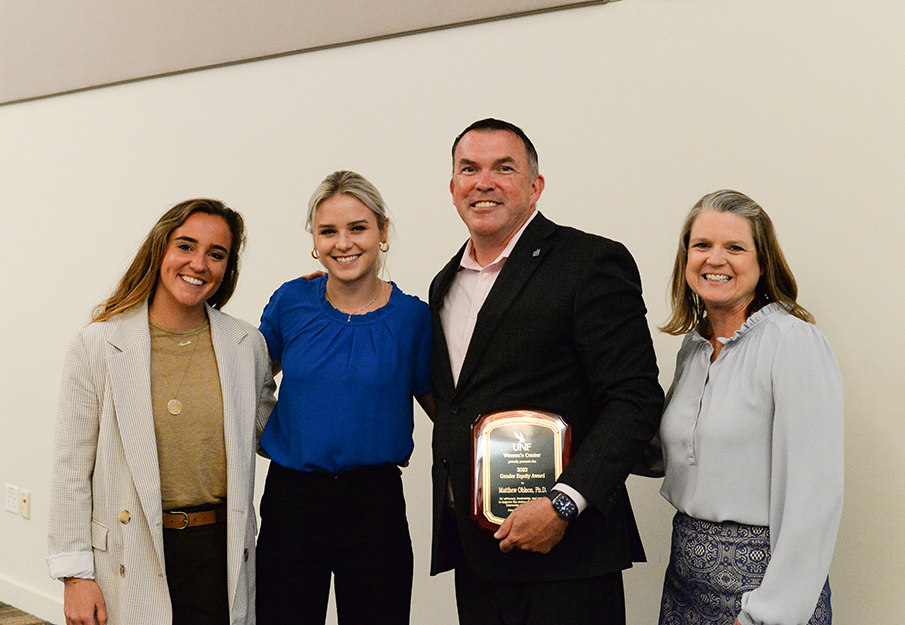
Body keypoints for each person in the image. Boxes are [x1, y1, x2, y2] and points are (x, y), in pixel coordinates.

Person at [429, 118, 664, 625]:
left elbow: (635, 397)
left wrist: (564, 503)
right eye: (469, 169)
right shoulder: (443, 285)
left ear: (535, 187)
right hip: (478, 554)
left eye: (503, 168)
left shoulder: (588, 261)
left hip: (568, 560)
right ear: (453, 189)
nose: (483, 182)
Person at [47, 199, 277, 625]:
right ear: (160, 250)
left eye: (216, 254)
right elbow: (71, 468)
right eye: (186, 246)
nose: (199, 263)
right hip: (129, 550)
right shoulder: (97, 345)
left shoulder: (246, 345)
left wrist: (315, 307)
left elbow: (271, 434)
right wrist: (75, 576)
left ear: (228, 268)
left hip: (218, 551)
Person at [254, 170, 433, 625]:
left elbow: (445, 410)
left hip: (374, 504)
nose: (343, 243)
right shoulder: (291, 301)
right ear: (314, 239)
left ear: (383, 231)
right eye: (328, 231)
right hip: (292, 500)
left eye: (357, 228)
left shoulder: (414, 318)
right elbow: (246, 380)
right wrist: (265, 431)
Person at [657, 190, 843, 625]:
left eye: (735, 248)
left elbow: (814, 496)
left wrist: (770, 612)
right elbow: (670, 451)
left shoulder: (792, 341)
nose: (714, 259)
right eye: (701, 245)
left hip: (762, 590)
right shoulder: (694, 348)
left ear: (763, 263)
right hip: (684, 585)